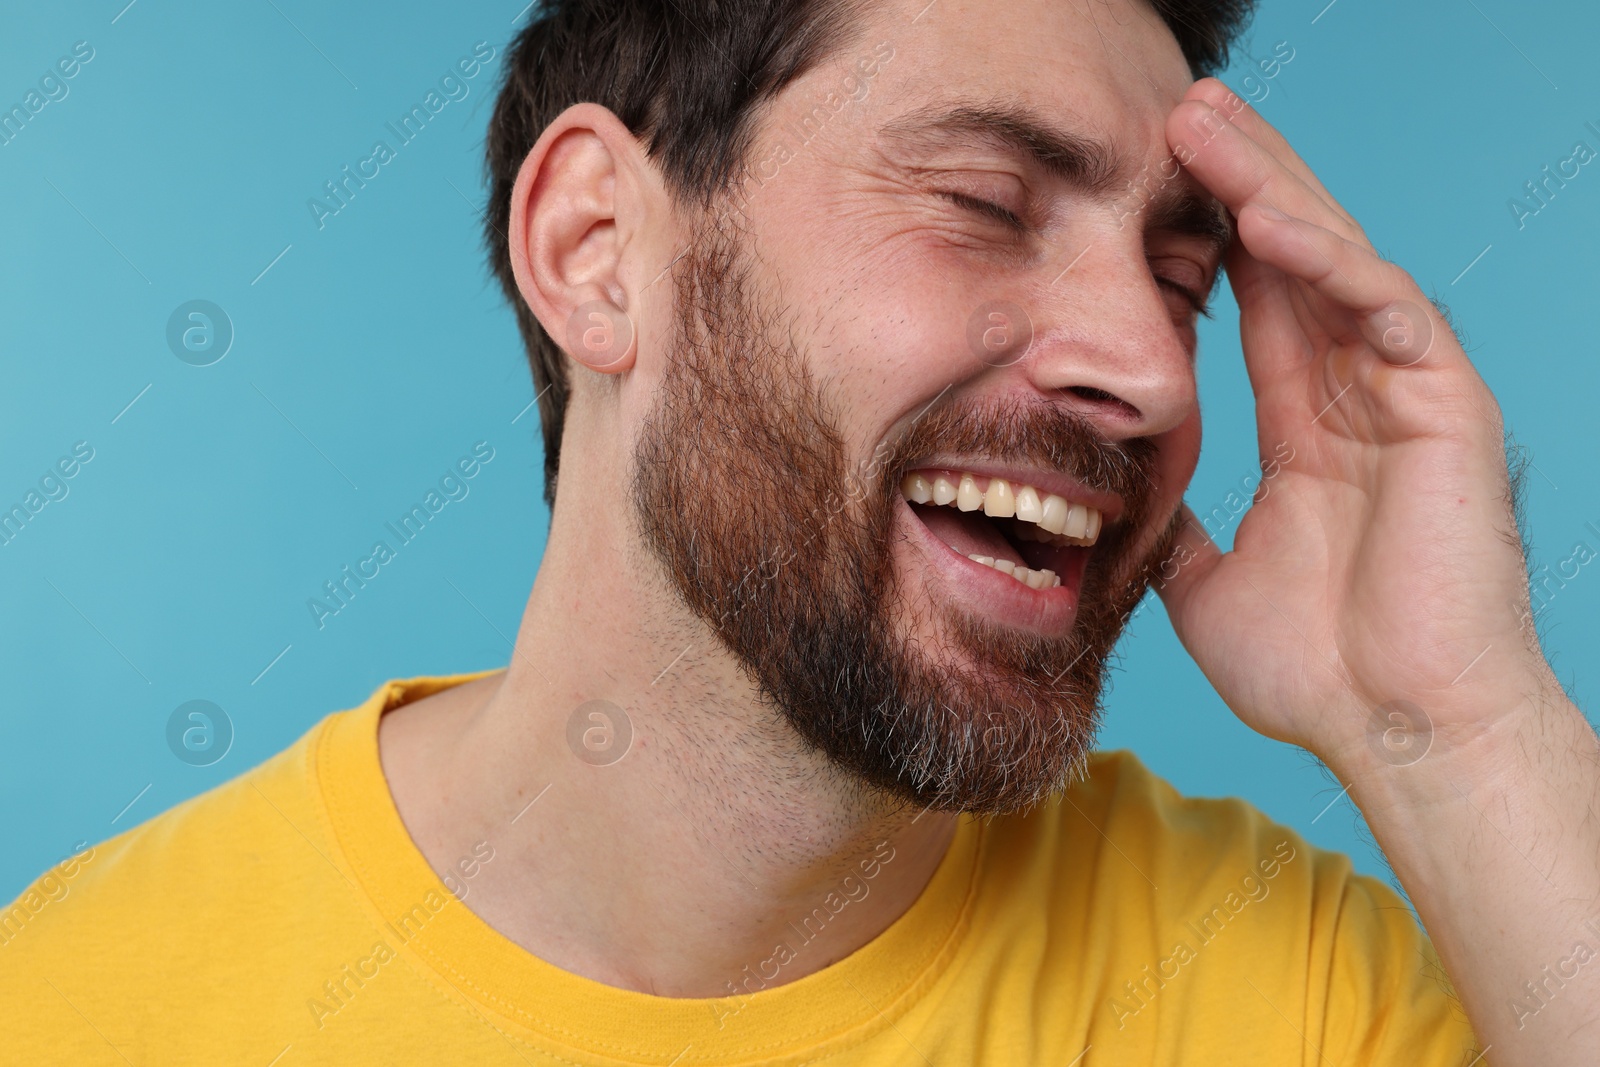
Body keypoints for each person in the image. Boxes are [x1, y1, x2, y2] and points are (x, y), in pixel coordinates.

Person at [6, 0, 1597, 1062]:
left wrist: (1452, 731)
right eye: (984, 202)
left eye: (1181, 282)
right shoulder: (73, 1007)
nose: (1148, 369)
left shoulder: (1296, 994)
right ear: (598, 251)